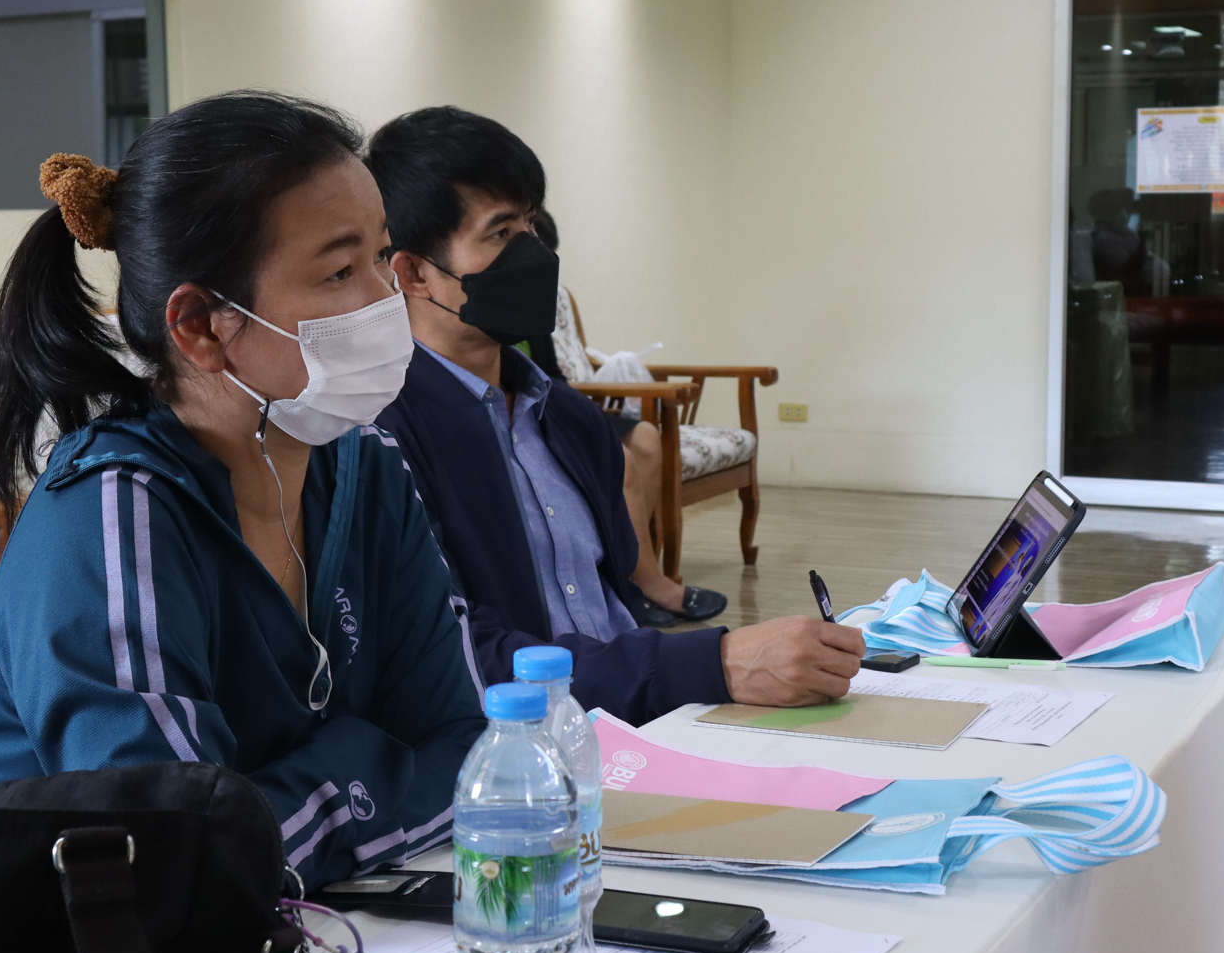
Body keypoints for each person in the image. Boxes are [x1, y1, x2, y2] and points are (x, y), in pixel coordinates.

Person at [0, 91, 486, 887]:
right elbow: (177, 862)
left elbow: (467, 751)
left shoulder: (366, 469)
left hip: (299, 922)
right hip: (28, 945)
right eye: (339, 271)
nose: (385, 300)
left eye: (380, 256)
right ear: (198, 326)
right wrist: (361, 767)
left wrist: (280, 813)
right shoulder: (109, 515)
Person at [368, 105, 863, 726]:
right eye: (500, 233)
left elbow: (613, 612)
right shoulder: (379, 445)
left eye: (530, 224)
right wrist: (715, 664)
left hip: (649, 723)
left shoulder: (571, 421)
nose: (532, 252)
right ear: (414, 272)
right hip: (521, 752)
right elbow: (453, 659)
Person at [526, 208, 725, 627]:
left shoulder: (533, 299)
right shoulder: (490, 305)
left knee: (646, 436)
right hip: (526, 413)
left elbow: (553, 376)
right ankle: (649, 584)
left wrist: (585, 415)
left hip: (553, 403)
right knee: (623, 461)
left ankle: (627, 565)